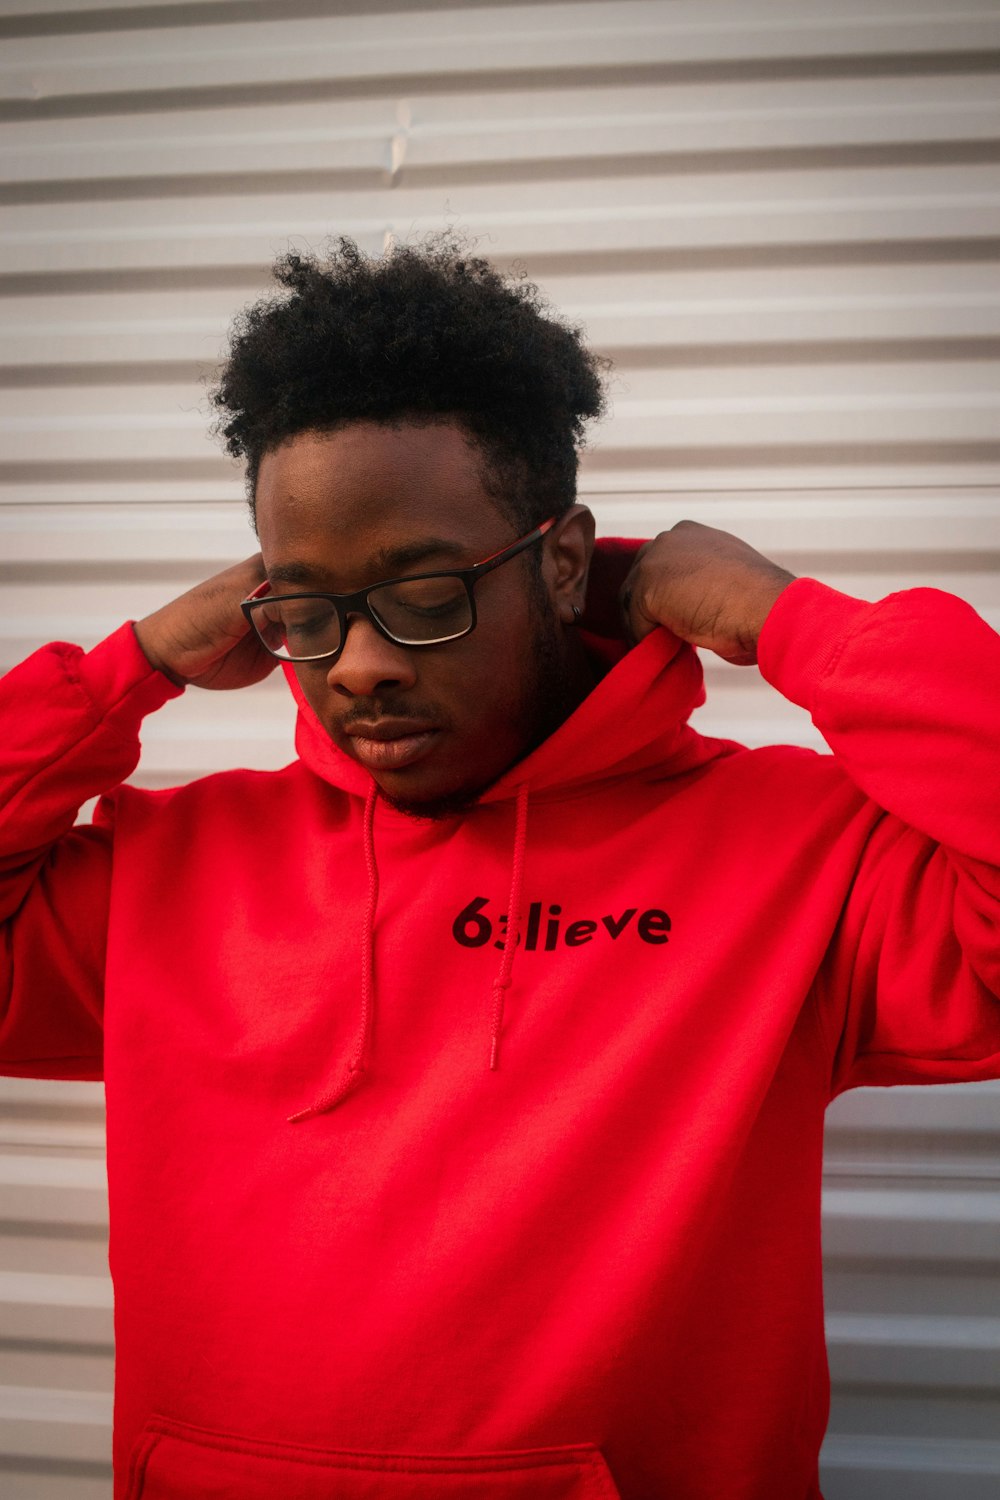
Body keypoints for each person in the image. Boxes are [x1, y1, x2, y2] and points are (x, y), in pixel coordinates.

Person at [1, 237, 997, 1500]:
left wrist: (777, 613)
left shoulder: (797, 856)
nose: (358, 664)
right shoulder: (172, 864)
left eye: (422, 593)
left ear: (562, 560)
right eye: (306, 608)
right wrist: (123, 667)